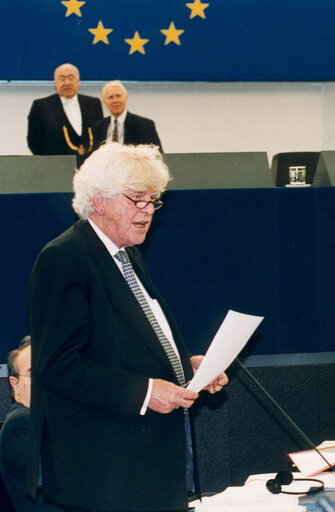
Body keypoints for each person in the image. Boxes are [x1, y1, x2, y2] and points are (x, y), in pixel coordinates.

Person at [27, 143, 228, 511]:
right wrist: (145, 392)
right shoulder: (65, 257)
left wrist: (187, 367)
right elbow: (57, 366)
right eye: (137, 199)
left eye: (153, 200)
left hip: (147, 465)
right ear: (99, 201)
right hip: (107, 475)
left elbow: (133, 342)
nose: (148, 211)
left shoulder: (126, 254)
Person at [0, 337, 63, 511]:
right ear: (16, 384)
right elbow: (59, 474)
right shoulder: (19, 423)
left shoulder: (57, 420)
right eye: (33, 373)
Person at [26, 63, 103, 157]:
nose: (67, 83)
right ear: (55, 82)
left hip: (90, 166)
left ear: (78, 81)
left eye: (71, 78)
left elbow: (100, 135)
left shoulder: (94, 104)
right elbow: (34, 143)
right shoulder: (41, 106)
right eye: (62, 79)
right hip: (56, 167)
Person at [89, 80, 163, 154]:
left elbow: (157, 155)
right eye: (110, 97)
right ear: (104, 102)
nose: (115, 101)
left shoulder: (145, 125)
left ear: (125, 98)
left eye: (118, 96)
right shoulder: (97, 127)